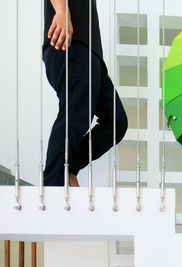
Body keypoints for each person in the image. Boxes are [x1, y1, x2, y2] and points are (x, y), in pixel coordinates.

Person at [42, 0, 128, 187]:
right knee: (74, 116)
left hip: (91, 54)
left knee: (116, 122)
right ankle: (53, 184)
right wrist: (61, 11)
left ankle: (69, 166)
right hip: (71, 43)